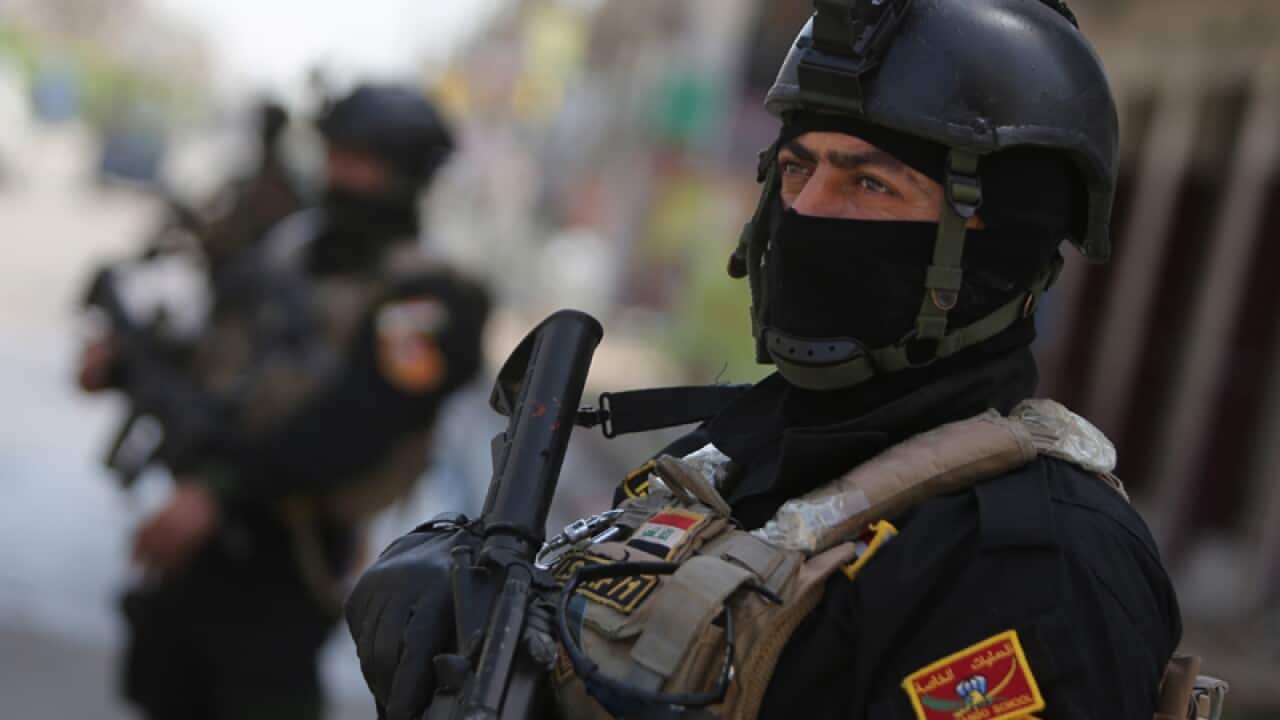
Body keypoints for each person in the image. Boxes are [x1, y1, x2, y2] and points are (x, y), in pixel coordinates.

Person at [344, 2, 1187, 719]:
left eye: (869, 184)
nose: (806, 212)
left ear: (996, 248)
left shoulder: (1036, 568)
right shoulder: (739, 451)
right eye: (796, 168)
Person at [78, 83, 490, 720]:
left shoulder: (426, 297)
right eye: (338, 153)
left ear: (407, 174)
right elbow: (219, 359)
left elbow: (357, 424)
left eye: (365, 160)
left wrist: (219, 491)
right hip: (200, 528)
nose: (342, 174)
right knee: (166, 685)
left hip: (291, 550)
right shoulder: (289, 248)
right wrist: (126, 365)